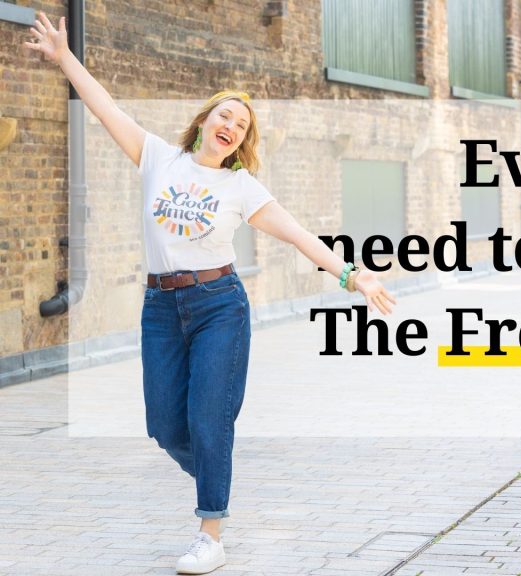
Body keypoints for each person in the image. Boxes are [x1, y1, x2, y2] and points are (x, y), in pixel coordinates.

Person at [24, 12, 397, 575]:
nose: (232, 126)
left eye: (242, 126)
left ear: (241, 143)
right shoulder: (158, 158)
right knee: (166, 427)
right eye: (226, 115)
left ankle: (210, 531)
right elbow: (104, 107)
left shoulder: (240, 186)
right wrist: (63, 56)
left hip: (219, 305)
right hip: (159, 309)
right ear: (204, 121)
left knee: (207, 420)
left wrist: (353, 275)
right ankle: (217, 475)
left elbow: (296, 232)